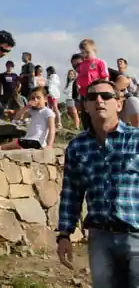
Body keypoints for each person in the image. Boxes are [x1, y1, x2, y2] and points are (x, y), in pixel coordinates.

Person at [57, 78, 139, 285]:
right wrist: (64, 234)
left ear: (119, 104)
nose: (99, 100)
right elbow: (71, 193)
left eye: (106, 96)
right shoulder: (77, 146)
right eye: (92, 97)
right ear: (85, 105)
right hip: (100, 238)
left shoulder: (136, 140)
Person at [64, 64, 81, 130]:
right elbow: (65, 91)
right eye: (69, 74)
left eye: (71, 74)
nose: (70, 75)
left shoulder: (75, 81)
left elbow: (78, 88)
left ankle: (77, 126)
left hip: (72, 98)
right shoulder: (68, 83)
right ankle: (76, 123)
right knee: (69, 112)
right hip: (68, 99)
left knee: (74, 112)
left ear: (74, 75)